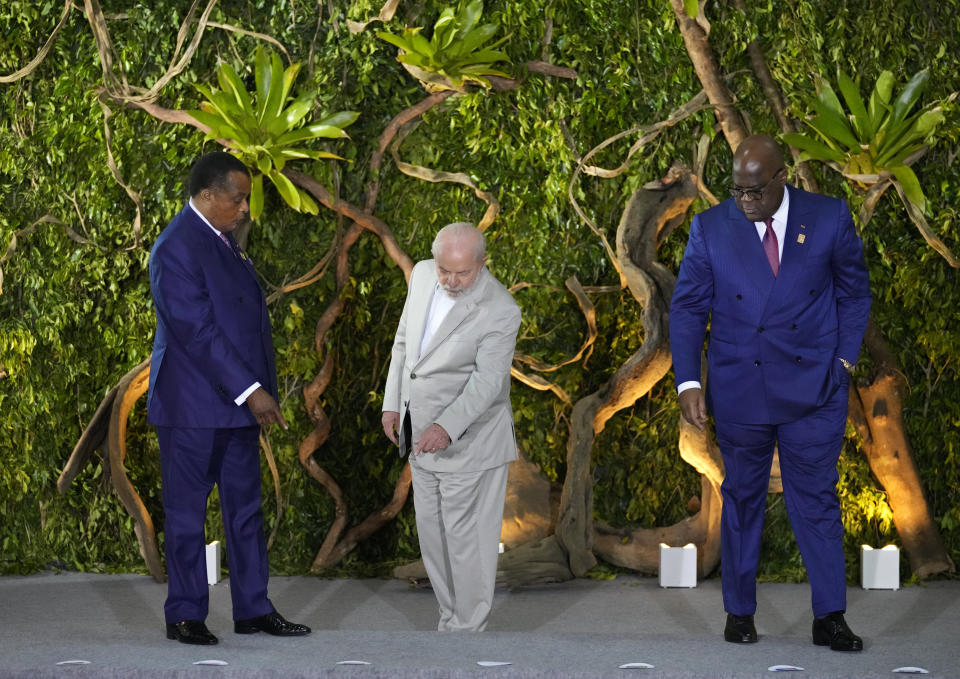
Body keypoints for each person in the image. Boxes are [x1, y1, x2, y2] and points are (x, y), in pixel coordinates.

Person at [669, 135, 871, 651]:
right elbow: (689, 308)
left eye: (756, 190)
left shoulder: (828, 218)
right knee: (741, 500)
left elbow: (854, 294)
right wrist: (689, 381)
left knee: (817, 501)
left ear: (783, 177)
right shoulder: (711, 228)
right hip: (742, 389)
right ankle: (739, 612)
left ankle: (830, 615)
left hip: (816, 388)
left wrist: (843, 364)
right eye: (738, 190)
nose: (746, 201)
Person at [147, 152, 310, 645]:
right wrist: (253, 391)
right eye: (237, 198)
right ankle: (185, 614)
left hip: (237, 405)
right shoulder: (175, 246)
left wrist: (257, 392)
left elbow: (247, 327)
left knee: (245, 510)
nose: (244, 209)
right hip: (192, 407)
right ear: (206, 196)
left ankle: (253, 609)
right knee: (185, 514)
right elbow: (197, 332)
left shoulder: (224, 241)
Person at [382, 222, 521, 632]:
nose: (451, 280)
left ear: (482, 263)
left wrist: (446, 426)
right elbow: (404, 342)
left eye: (462, 273)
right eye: (446, 270)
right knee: (434, 538)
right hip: (420, 437)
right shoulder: (423, 274)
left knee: (467, 542)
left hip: (471, 441)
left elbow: (488, 383)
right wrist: (393, 404)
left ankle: (468, 628)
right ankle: (450, 621)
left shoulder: (501, 309)